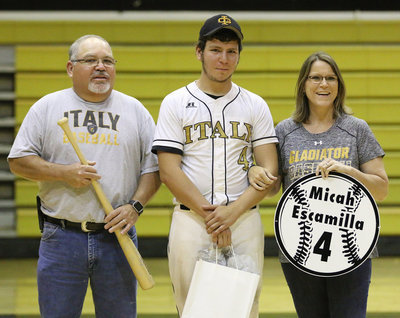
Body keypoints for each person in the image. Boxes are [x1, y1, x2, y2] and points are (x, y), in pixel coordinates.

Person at [8, 34, 160, 318]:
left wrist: (135, 206)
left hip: (118, 237)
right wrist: (64, 173)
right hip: (62, 238)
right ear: (70, 68)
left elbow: (153, 169)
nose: (101, 67)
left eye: (107, 61)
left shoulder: (135, 110)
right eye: (90, 60)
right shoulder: (46, 107)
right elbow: (18, 161)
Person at [151, 14, 278, 317]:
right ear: (199, 52)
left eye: (231, 51)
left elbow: (270, 173)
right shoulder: (175, 102)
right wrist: (212, 217)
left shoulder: (255, 104)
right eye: (215, 49)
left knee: (245, 308)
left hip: (243, 220)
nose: (224, 58)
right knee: (193, 308)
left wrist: (230, 214)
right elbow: (168, 171)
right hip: (192, 221)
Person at [249, 51, 389, 318]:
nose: (323, 84)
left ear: (339, 85)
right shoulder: (284, 131)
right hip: (299, 248)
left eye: (330, 78)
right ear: (304, 84)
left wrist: (349, 171)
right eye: (315, 78)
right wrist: (255, 171)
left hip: (351, 247)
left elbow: (382, 189)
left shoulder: (357, 129)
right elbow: (272, 188)